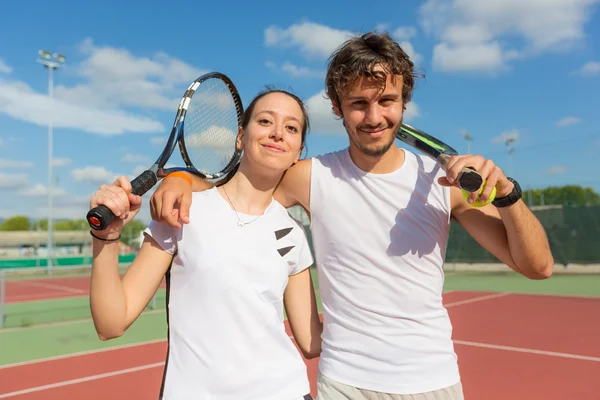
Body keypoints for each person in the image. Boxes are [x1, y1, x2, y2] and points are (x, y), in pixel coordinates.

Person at [147, 32, 554, 400]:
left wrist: (507, 195)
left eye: (386, 101)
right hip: (344, 384)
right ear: (338, 108)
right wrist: (181, 179)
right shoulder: (310, 177)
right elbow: (239, 186)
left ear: (404, 102)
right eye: (359, 104)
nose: (374, 117)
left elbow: (537, 266)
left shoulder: (441, 183)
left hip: (432, 381)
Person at [88, 88, 322, 400]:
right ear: (241, 136)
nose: (278, 133)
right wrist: (106, 237)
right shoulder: (182, 210)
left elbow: (311, 342)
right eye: (265, 121)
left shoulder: (292, 233)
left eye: (291, 128)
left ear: (298, 151)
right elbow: (111, 322)